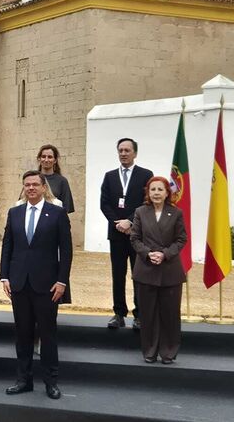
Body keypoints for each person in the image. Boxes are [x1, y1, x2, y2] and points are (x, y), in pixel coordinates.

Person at [1, 171, 73, 400]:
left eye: (35, 184)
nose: (30, 188)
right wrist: (5, 277)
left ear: (44, 187)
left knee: (47, 335)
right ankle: (24, 380)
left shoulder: (57, 213)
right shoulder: (15, 213)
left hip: (48, 285)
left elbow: (67, 250)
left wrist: (62, 281)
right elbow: (8, 247)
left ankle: (51, 382)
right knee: (22, 335)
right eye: (27, 185)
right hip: (19, 284)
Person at [130, 176, 187, 364]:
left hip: (170, 270)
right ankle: (150, 351)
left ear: (166, 193)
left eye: (160, 190)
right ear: (148, 192)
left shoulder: (176, 213)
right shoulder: (140, 212)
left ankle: (168, 352)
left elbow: (181, 239)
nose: (156, 193)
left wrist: (164, 254)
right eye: (152, 189)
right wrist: (148, 254)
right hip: (146, 270)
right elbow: (135, 238)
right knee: (148, 314)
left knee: (170, 314)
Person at [99, 138, 153, 330]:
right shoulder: (110, 176)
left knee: (138, 274)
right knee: (118, 274)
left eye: (127, 150)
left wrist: (130, 221)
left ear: (135, 153)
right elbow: (104, 203)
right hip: (116, 234)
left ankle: (139, 315)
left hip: (137, 233)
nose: (123, 153)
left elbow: (147, 201)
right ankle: (119, 313)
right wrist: (117, 223)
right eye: (120, 150)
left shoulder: (146, 175)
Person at [36, 145, 74, 214]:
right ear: (39, 159)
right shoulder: (32, 179)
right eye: (43, 156)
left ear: (55, 160)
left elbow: (66, 209)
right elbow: (22, 202)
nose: (46, 160)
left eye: (50, 157)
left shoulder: (62, 181)